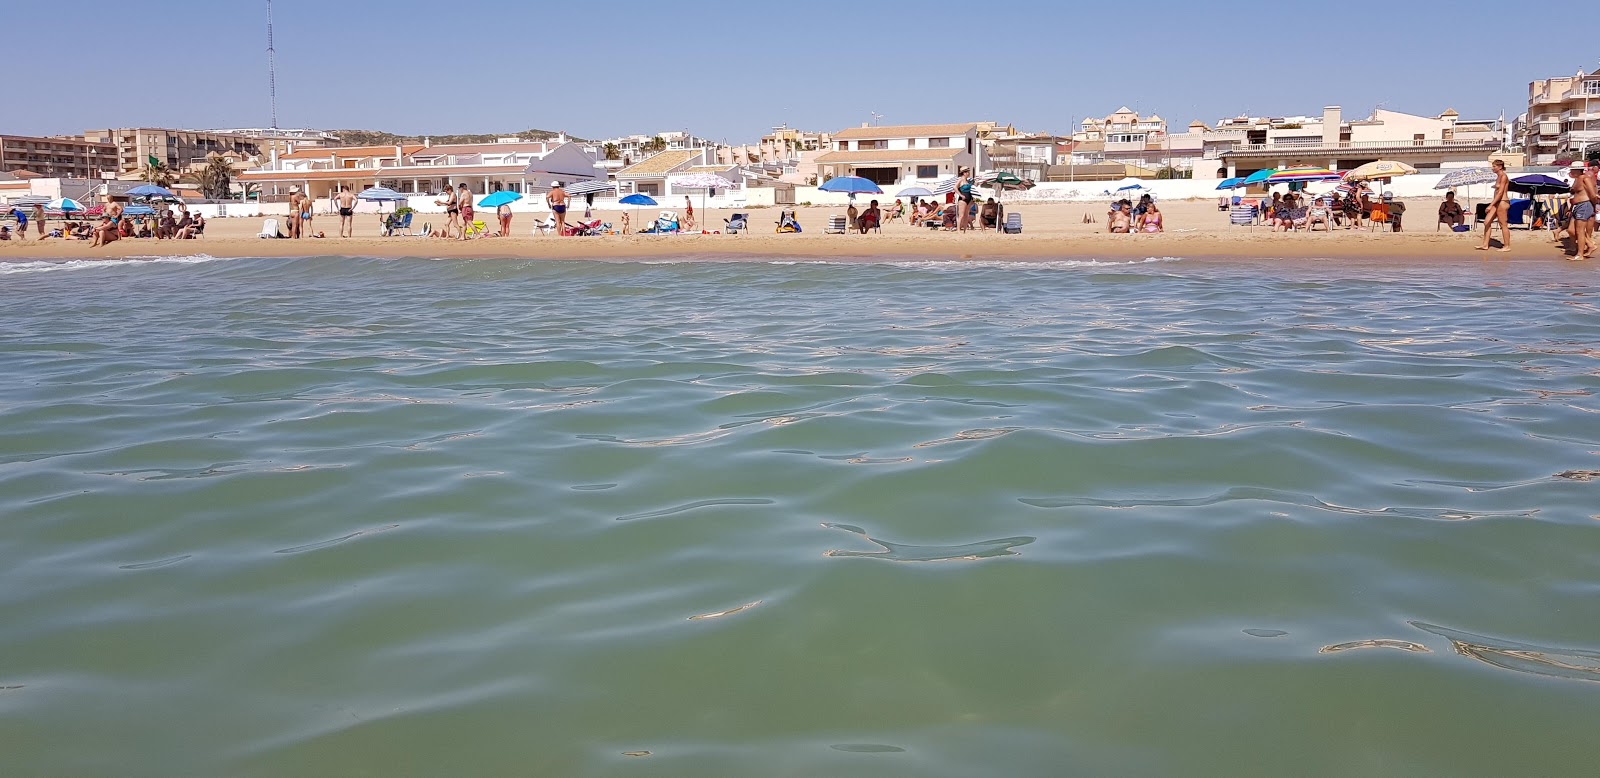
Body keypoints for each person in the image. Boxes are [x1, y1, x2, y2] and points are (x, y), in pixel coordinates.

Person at [1477, 159, 1511, 252]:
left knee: (1503, 224)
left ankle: (1507, 246)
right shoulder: (1498, 176)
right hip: (1497, 202)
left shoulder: (1504, 176)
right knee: (1486, 222)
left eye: (1494, 166)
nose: (1492, 168)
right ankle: (1485, 244)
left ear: (1500, 167)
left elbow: (1500, 193)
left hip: (1502, 202)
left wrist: (1490, 205)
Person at [1567, 162, 1596, 259]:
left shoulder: (1585, 178)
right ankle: (1590, 245)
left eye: (1572, 169)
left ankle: (1580, 255)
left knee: (1580, 231)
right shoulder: (1576, 180)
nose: (1570, 171)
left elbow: (1592, 194)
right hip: (1577, 206)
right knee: (1571, 230)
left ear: (1577, 170)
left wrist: (1594, 206)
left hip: (1584, 204)